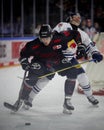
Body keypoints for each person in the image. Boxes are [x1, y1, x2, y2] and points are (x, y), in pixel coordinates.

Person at [14, 24, 103, 114]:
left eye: (47, 38)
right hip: (41, 63)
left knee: (73, 70)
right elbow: (23, 53)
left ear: (51, 35)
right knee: (32, 76)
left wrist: (80, 45)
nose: (45, 41)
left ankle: (67, 101)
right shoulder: (34, 44)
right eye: (42, 38)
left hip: (58, 61)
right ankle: (20, 100)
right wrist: (24, 61)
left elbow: (76, 34)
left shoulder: (60, 37)